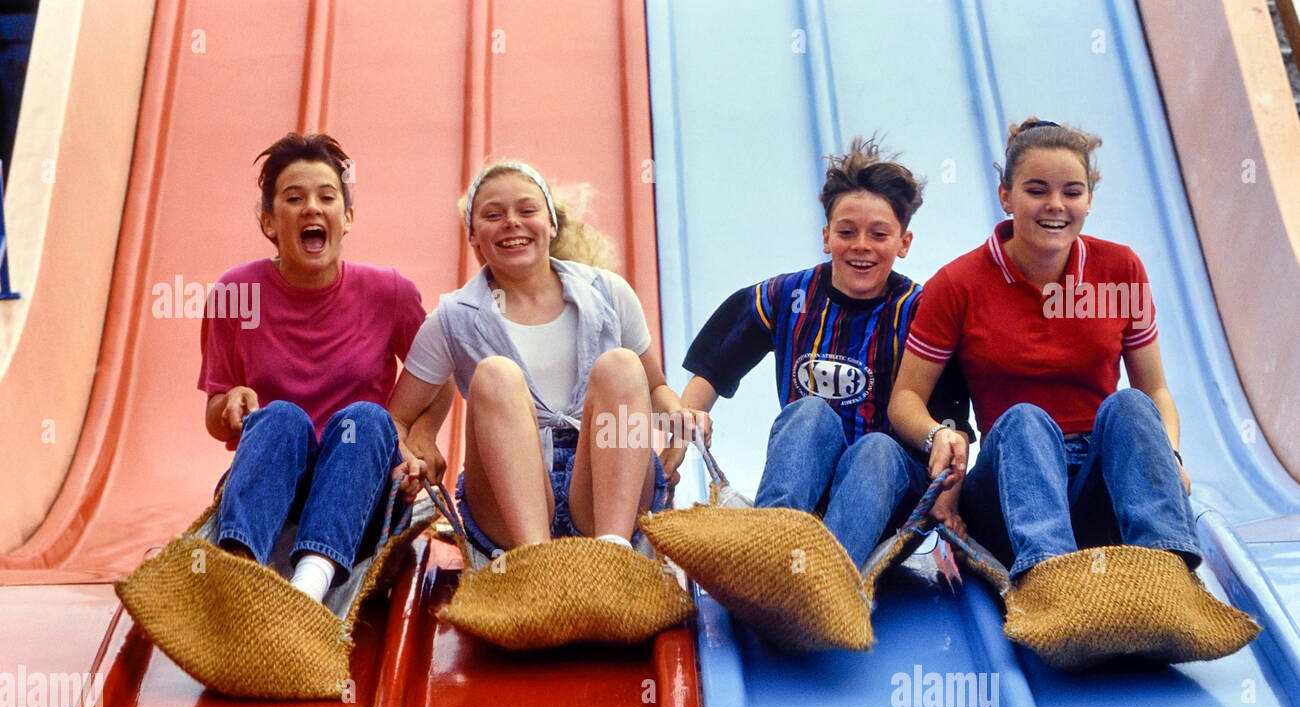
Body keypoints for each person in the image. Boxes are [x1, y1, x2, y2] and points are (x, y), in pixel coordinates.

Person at [889, 118, 1200, 581]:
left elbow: (1154, 389)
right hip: (1013, 486)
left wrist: (1169, 456)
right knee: (1026, 418)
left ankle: (1167, 573)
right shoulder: (958, 284)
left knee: (1131, 406)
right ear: (1006, 196)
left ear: (1089, 200)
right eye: (1036, 190)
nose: (1055, 205)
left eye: (1072, 192)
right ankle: (1050, 580)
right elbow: (905, 401)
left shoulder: (1121, 268)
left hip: (1099, 482)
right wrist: (940, 437)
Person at [665, 136, 972, 567]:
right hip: (803, 489)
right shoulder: (786, 296)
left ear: (903, 242)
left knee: (876, 449)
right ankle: (771, 548)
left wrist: (948, 503)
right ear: (827, 237)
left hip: (886, 504)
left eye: (879, 234)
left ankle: (828, 576)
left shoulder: (920, 313)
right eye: (846, 232)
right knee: (808, 414)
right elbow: (712, 371)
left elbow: (955, 427)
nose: (861, 245)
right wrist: (678, 439)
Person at [388, 159, 707, 559]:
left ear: (551, 224)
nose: (511, 222)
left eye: (526, 210)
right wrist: (416, 443)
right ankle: (535, 561)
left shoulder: (608, 293)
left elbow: (657, 389)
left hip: (604, 484)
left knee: (621, 365)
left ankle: (615, 552)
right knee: (495, 375)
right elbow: (396, 419)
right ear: (473, 235)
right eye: (493, 215)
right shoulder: (453, 317)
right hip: (511, 500)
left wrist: (678, 417)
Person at [198, 132, 426, 602]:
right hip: (272, 494)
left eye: (327, 197)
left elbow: (436, 370)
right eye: (293, 198)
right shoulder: (235, 293)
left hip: (357, 488)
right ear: (268, 221)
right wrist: (231, 404)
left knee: (366, 418)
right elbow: (216, 412)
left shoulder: (390, 292)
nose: (311, 209)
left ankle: (308, 588)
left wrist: (419, 436)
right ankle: (239, 575)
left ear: (347, 217)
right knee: (281, 416)